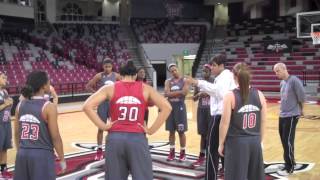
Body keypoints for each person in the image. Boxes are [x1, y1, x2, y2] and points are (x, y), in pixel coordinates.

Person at [83, 61, 172, 180]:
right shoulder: (146, 88)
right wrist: (151, 130)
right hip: (137, 138)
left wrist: (103, 126)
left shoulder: (110, 88)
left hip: (115, 138)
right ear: (135, 75)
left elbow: (86, 106)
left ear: (120, 74)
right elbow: (167, 107)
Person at [186, 54, 236, 180]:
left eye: (214, 65)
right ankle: (226, 173)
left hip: (219, 116)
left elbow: (219, 93)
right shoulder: (224, 76)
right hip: (224, 115)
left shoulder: (225, 76)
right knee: (223, 147)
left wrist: (198, 82)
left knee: (212, 150)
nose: (212, 68)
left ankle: (211, 177)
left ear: (221, 65)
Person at [13, 71, 66, 180]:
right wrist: (62, 159)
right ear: (43, 86)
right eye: (48, 81)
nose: (49, 83)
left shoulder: (19, 105)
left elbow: (17, 133)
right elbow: (55, 137)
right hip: (42, 156)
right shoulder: (49, 107)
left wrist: (20, 151)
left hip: (22, 154)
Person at [218, 63, 266, 180]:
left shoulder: (230, 96)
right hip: (255, 141)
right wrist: (260, 141)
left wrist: (220, 143)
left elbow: (224, 123)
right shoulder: (260, 94)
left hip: (237, 143)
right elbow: (263, 121)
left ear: (234, 77)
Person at [273, 63, 305, 176]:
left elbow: (301, 97)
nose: (276, 73)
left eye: (277, 71)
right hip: (282, 115)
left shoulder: (294, 81)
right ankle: (289, 161)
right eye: (275, 72)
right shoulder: (282, 82)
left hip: (292, 115)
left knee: (288, 141)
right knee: (284, 140)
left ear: (284, 69)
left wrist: (301, 110)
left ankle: (290, 166)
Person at [86, 58, 121, 160]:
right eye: (106, 66)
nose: (107, 68)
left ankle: (115, 149)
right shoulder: (99, 76)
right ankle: (99, 150)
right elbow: (88, 86)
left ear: (112, 67)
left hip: (114, 104)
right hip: (102, 104)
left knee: (115, 127)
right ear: (103, 67)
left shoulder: (117, 76)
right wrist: (97, 95)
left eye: (109, 66)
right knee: (101, 127)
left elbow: (124, 86)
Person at [164, 63, 189, 162]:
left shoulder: (185, 80)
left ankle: (182, 153)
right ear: (170, 73)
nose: (174, 72)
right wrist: (179, 92)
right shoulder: (168, 81)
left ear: (178, 69)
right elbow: (166, 93)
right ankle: (172, 152)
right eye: (172, 71)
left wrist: (171, 94)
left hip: (180, 108)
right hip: (170, 108)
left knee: (181, 131)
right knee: (171, 131)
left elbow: (185, 92)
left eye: (175, 70)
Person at [192, 64, 214, 167]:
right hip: (201, 110)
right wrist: (199, 95)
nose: (204, 73)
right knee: (203, 134)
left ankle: (213, 155)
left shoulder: (214, 81)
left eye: (206, 71)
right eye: (203, 71)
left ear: (210, 71)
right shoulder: (199, 83)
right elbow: (194, 98)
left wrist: (208, 93)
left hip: (211, 111)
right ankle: (201, 155)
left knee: (212, 135)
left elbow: (220, 94)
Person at [0, 72, 13, 178]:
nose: (6, 79)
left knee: (4, 147)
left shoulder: (4, 91)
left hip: (6, 122)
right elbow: (6, 104)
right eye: (3, 77)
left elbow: (8, 105)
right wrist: (5, 104)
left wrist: (10, 103)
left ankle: (4, 169)